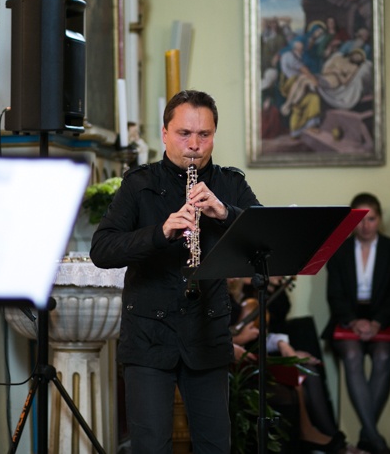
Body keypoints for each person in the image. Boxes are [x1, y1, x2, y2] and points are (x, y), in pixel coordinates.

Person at [90, 90, 261, 454]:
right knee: (151, 445)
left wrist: (225, 213)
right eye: (184, 134)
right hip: (149, 335)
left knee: (215, 446)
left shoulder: (230, 184)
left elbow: (263, 243)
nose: (195, 145)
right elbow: (102, 249)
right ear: (165, 134)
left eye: (204, 135)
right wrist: (160, 232)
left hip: (207, 331)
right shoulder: (139, 183)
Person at [229, 278, 365, 454]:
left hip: (252, 356)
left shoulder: (243, 294)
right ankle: (314, 436)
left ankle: (325, 435)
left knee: (307, 370)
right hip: (237, 365)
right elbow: (223, 340)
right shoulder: (224, 296)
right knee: (296, 380)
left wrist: (284, 345)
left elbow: (262, 336)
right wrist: (240, 339)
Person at [323, 193, 390, 454]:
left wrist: (378, 322)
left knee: (383, 356)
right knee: (352, 355)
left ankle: (367, 435)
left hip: (384, 317)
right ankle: (375, 440)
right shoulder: (339, 249)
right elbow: (334, 294)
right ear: (351, 222)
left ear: (379, 219)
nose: (365, 226)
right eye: (359, 220)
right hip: (348, 317)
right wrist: (353, 321)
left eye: (371, 219)